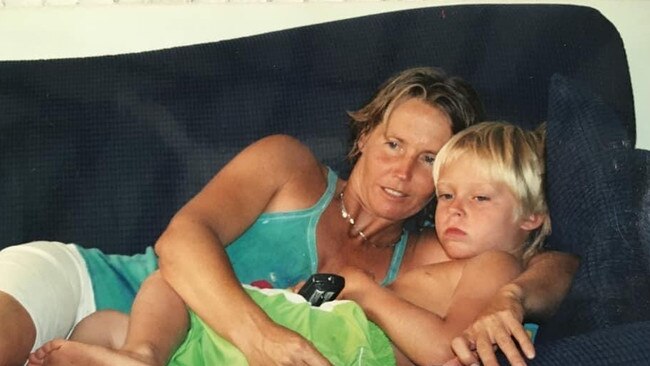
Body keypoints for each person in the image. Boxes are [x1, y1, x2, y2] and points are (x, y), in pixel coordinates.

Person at [0, 67, 577, 366]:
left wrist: (515, 298)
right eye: (393, 144)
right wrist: (263, 339)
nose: (402, 174)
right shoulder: (289, 166)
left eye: (429, 161)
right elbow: (180, 242)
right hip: (88, 288)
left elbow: (554, 259)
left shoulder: (437, 248)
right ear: (362, 138)